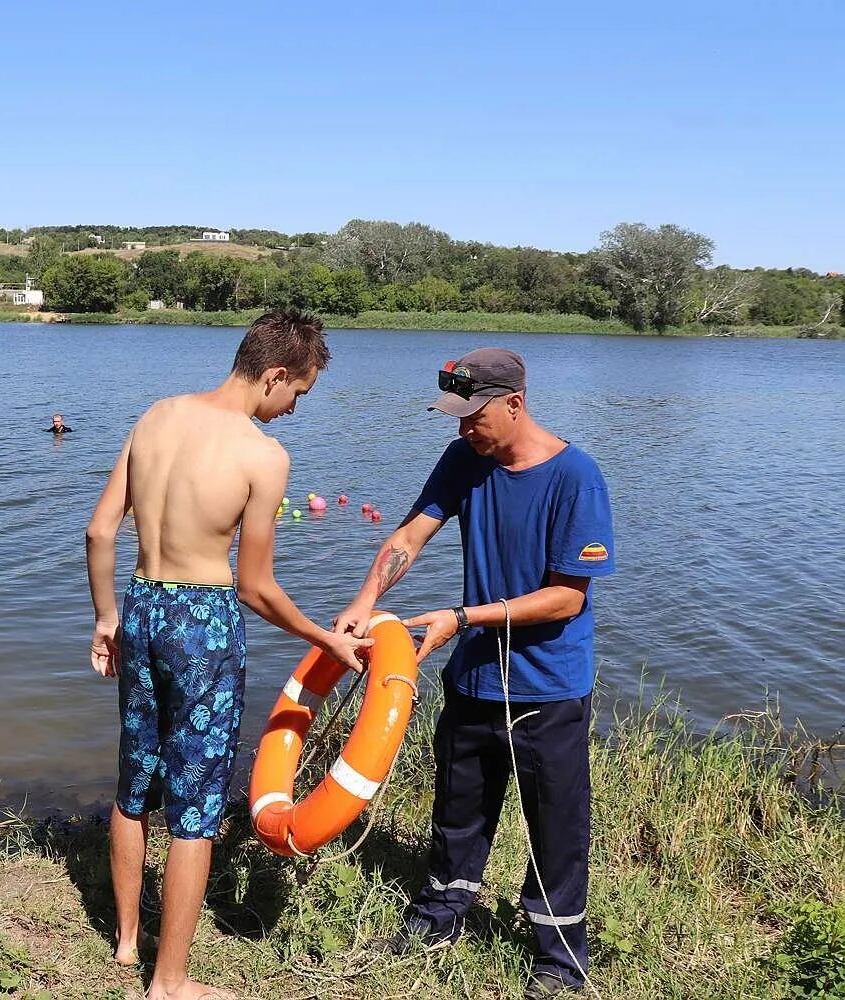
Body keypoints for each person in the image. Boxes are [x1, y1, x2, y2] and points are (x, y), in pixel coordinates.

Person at [86, 307, 373, 1000]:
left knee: (135, 787)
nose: (293, 410)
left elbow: (99, 533)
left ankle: (127, 943)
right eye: (297, 393)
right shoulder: (262, 456)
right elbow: (254, 587)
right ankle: (171, 981)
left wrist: (105, 619)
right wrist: (325, 637)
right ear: (275, 373)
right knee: (197, 806)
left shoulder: (156, 415)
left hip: (143, 606)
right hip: (202, 625)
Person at [333, 348, 615, 998]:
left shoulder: (577, 477)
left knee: (557, 830)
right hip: (472, 683)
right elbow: (408, 536)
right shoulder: (467, 460)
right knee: (457, 812)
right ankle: (438, 919)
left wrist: (462, 618)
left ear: (514, 403)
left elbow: (566, 597)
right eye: (455, 417)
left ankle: (559, 960)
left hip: (549, 689)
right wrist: (363, 602)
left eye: (473, 416)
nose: (462, 430)